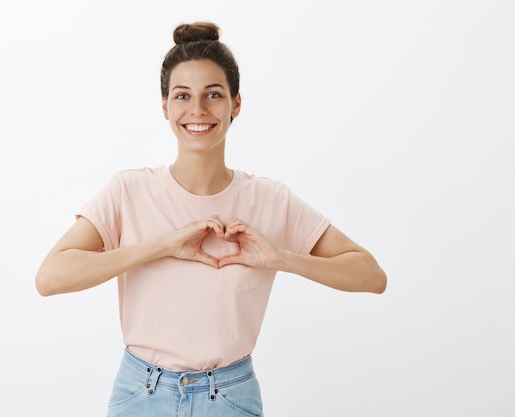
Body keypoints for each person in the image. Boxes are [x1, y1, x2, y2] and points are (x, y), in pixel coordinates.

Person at [36, 21, 386, 417]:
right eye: (182, 95)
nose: (197, 110)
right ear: (165, 105)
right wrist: (162, 245)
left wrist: (280, 259)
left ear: (236, 104)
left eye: (213, 95)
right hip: (141, 395)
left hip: (231, 398)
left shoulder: (271, 199)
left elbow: (371, 276)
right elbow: (50, 278)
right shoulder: (128, 191)